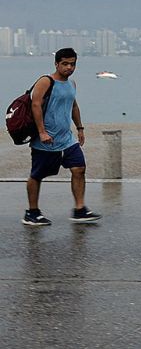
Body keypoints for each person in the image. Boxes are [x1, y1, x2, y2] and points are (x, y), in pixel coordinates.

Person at [23, 48, 101, 226]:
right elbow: (35, 106)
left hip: (67, 139)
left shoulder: (71, 84)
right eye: (65, 64)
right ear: (56, 64)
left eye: (72, 64)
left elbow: (73, 106)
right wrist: (42, 132)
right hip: (46, 140)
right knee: (37, 175)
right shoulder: (45, 81)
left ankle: (79, 209)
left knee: (79, 168)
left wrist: (80, 128)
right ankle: (32, 212)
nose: (69, 67)